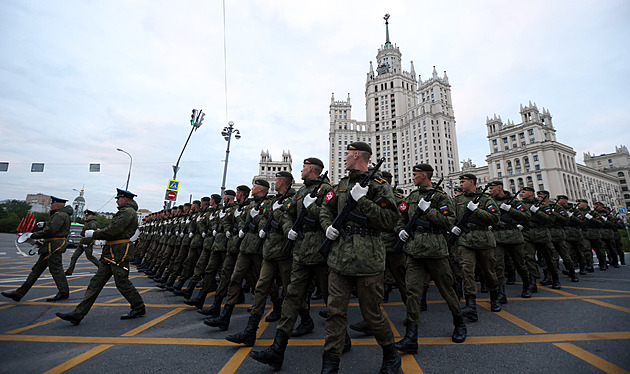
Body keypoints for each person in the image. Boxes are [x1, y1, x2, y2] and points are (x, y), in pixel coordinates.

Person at [319, 142, 402, 373]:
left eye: (347, 153)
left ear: (357, 155)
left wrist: (363, 200)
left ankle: (391, 356)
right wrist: (327, 227)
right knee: (335, 312)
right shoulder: (341, 185)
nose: (344, 157)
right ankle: (330, 364)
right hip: (339, 258)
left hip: (368, 260)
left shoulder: (379, 186)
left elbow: (389, 221)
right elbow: (326, 209)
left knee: (372, 314)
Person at [249, 158, 332, 370]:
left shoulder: (326, 190)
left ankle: (342, 339)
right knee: (291, 297)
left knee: (330, 300)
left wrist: (312, 210)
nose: (301, 170)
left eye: (304, 167)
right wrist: (288, 229)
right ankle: (277, 349)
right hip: (301, 252)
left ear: (312, 169)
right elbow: (287, 214)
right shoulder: (301, 192)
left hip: (321, 253)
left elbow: (329, 216)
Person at [394, 164, 466, 355]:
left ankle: (459, 323)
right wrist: (400, 230)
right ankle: (411, 337)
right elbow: (400, 217)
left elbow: (448, 222)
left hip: (435, 251)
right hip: (414, 251)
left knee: (447, 290)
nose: (413, 177)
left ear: (424, 175)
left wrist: (428, 211)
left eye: (415, 174)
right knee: (412, 293)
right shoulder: (411, 197)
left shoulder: (441, 197)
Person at [56, 188, 145, 325]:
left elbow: (113, 231)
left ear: (125, 199)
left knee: (122, 283)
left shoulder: (127, 212)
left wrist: (94, 234)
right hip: (112, 252)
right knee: (96, 283)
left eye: (118, 198)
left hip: (119, 253)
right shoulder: (125, 212)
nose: (116, 200)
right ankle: (78, 314)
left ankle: (138, 307)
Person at [450, 174, 501, 321]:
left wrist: (476, 210)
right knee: (467, 272)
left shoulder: (485, 199)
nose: (460, 184)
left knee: (489, 271)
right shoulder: (457, 200)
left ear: (471, 182)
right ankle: (471, 305)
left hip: (484, 239)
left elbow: (495, 218)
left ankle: (494, 297)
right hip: (465, 240)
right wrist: (453, 228)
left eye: (463, 181)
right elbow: (451, 218)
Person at [2, 196, 72, 302]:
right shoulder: (61, 215)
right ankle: (18, 294)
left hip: (53, 246)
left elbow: (51, 231)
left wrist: (32, 235)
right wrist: (45, 224)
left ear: (57, 205)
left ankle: (64, 293)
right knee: (36, 271)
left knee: (56, 270)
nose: (51, 205)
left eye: (52, 203)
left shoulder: (59, 215)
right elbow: (53, 228)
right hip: (50, 246)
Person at [65, 209, 101, 275]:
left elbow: (91, 234)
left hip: (87, 242)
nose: (86, 216)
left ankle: (101, 268)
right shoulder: (88, 222)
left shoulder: (92, 223)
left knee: (90, 257)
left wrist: (87, 243)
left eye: (88, 215)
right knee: (74, 257)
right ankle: (69, 271)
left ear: (92, 215)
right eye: (86, 215)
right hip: (82, 242)